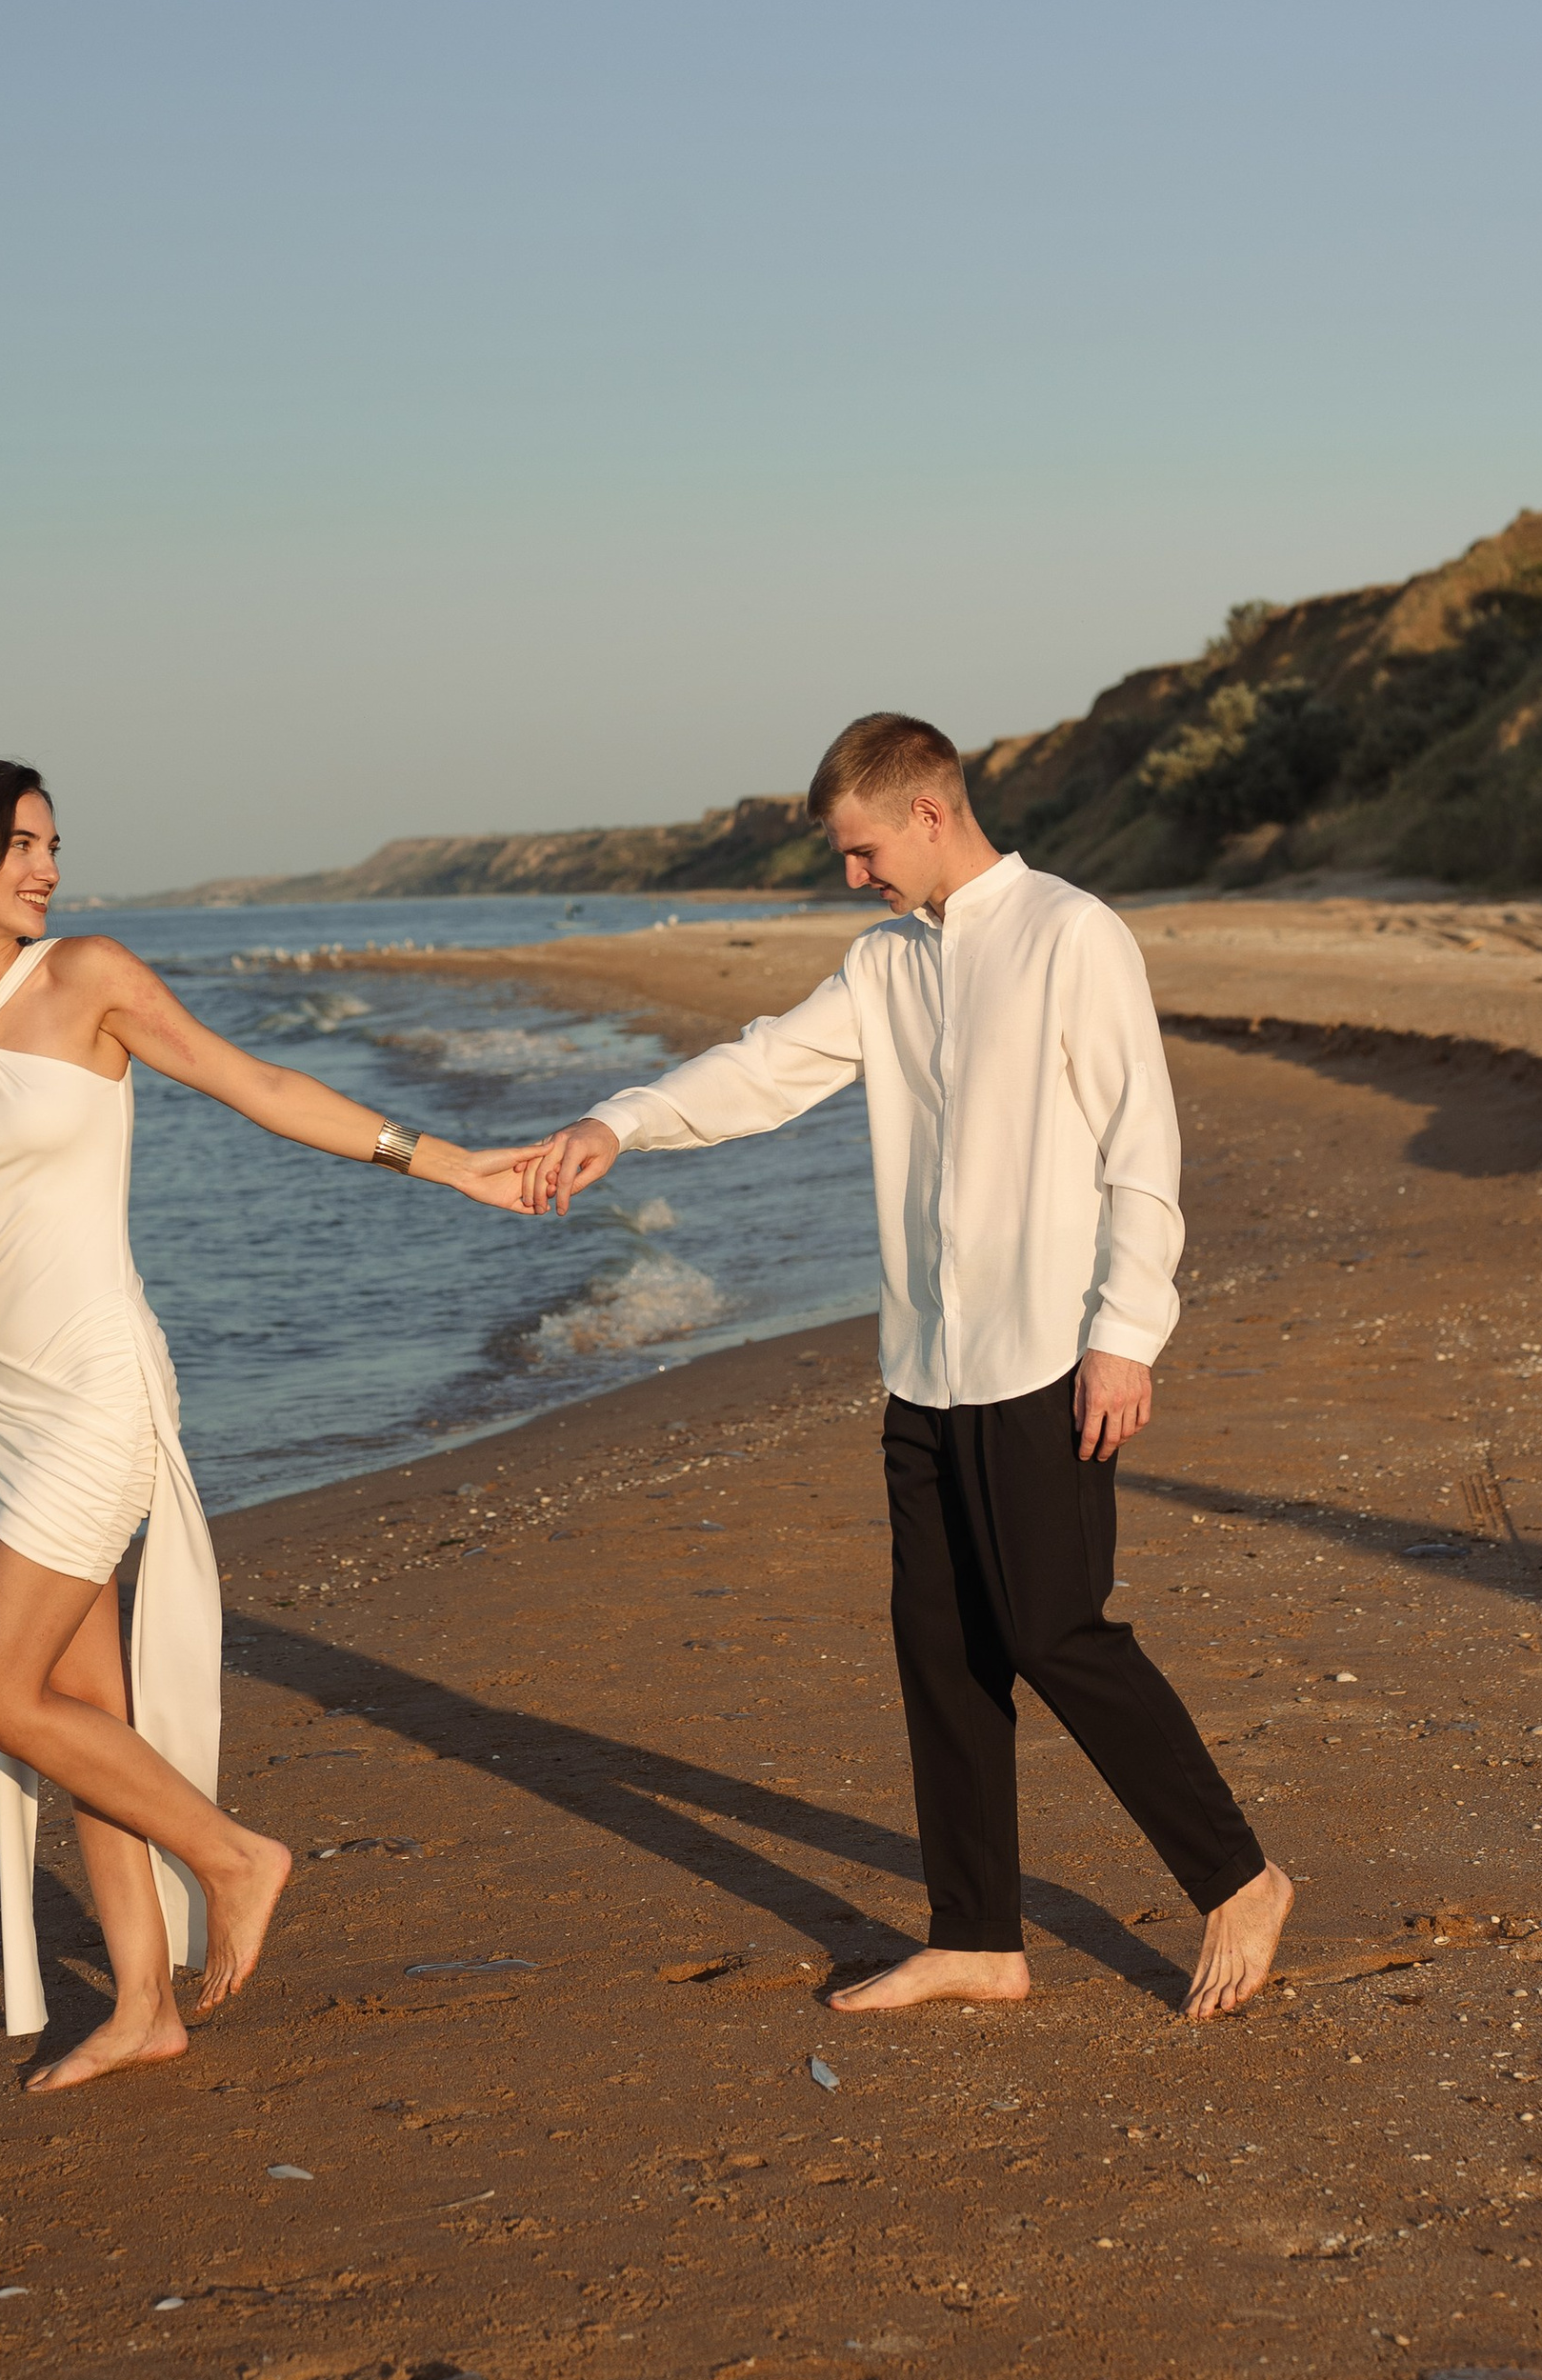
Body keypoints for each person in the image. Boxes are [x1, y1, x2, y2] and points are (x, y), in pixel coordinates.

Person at [516, 711, 1292, 2024]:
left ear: (928, 812)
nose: (853, 875)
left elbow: (1141, 1151)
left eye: (862, 849)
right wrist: (619, 1123)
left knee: (1057, 1632)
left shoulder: (1070, 933)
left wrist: (1125, 1340)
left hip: (1051, 1355)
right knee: (940, 1649)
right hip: (926, 1369)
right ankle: (979, 1936)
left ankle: (1239, 1874)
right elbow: (765, 1069)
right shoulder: (885, 964)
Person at [0, 760, 533, 2092]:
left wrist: (447, 1161)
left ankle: (233, 1854)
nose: (45, 865)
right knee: (80, 1699)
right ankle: (144, 2003)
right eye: (20, 843)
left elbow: (254, 1082)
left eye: (51, 841)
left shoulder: (88, 976)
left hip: (99, 1382)